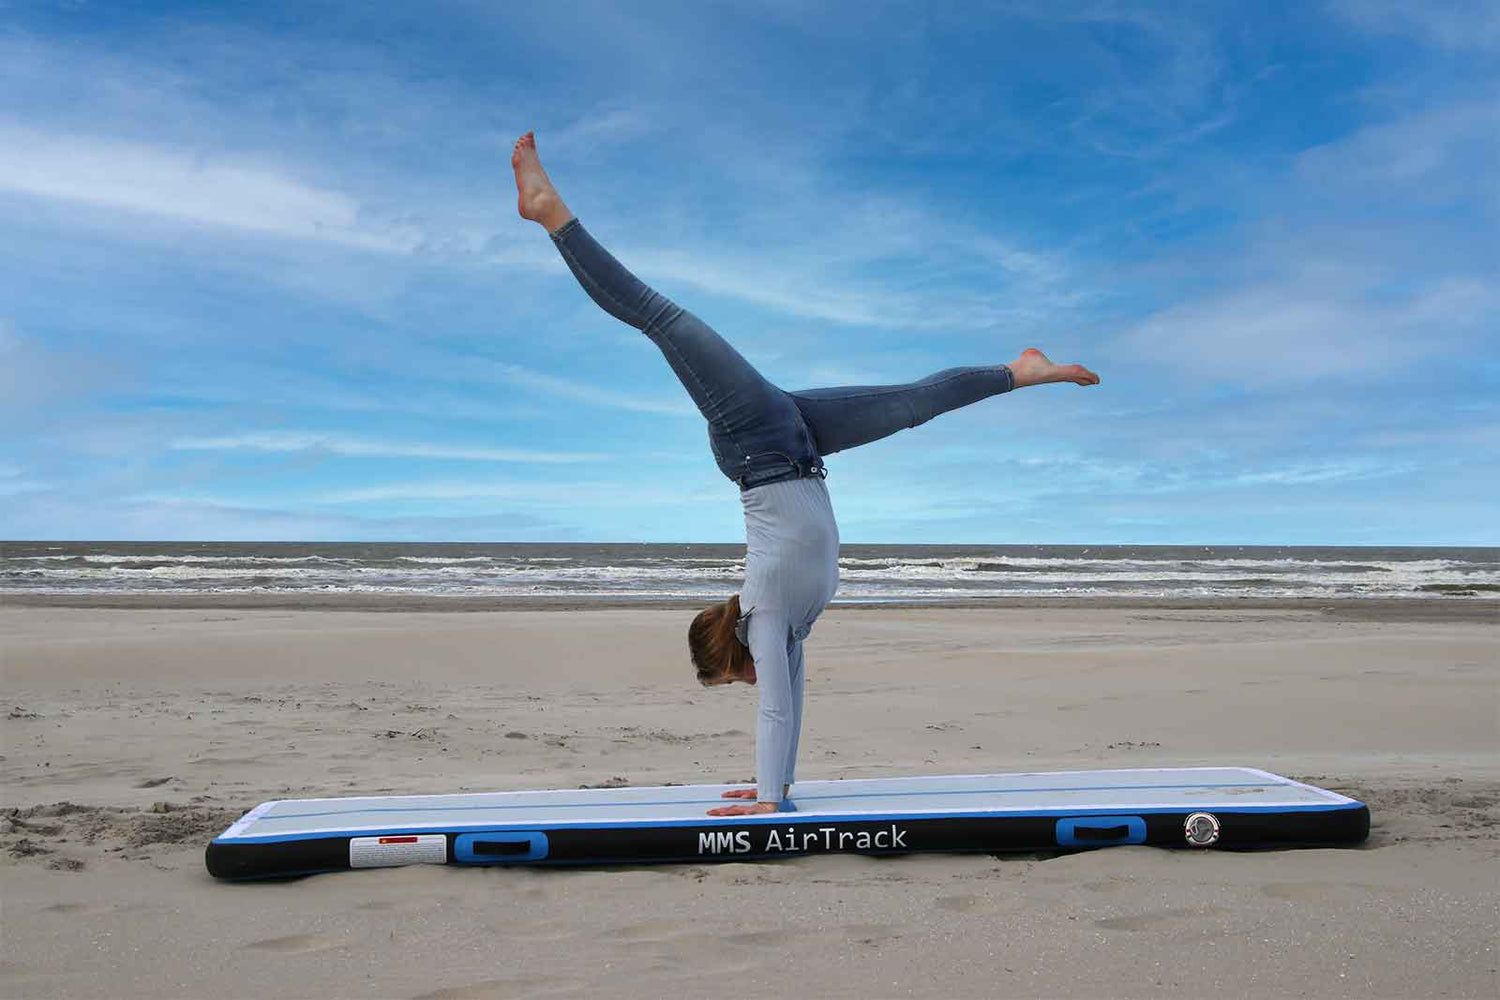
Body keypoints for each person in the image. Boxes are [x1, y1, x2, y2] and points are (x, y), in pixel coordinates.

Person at [510, 131, 1099, 817]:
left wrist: (762, 802)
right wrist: (775, 793)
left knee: (661, 317)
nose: (750, 685)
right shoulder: (790, 631)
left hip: (758, 442)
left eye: (734, 681)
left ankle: (551, 212)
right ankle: (1021, 370)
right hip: (800, 444)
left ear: (730, 654)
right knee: (912, 404)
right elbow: (793, 711)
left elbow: (773, 714)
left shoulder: (764, 619)